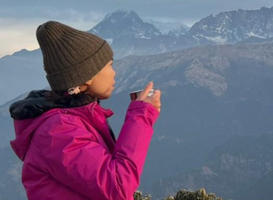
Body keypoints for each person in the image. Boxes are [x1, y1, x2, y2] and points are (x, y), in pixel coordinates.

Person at [9, 20, 161, 200]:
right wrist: (141, 117)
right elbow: (117, 186)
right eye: (109, 65)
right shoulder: (58, 132)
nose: (114, 73)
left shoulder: (77, 120)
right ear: (87, 76)